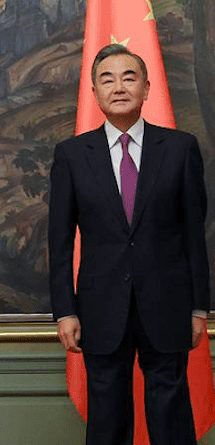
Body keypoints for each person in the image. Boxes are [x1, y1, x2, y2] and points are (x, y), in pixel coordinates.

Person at [49, 44, 208, 445]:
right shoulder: (71, 155)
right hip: (100, 308)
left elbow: (194, 234)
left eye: (128, 77)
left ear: (147, 88)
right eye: (107, 79)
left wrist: (198, 306)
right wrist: (65, 311)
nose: (118, 87)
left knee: (170, 415)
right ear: (95, 92)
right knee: (107, 420)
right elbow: (60, 241)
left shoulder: (179, 149)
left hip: (169, 304)